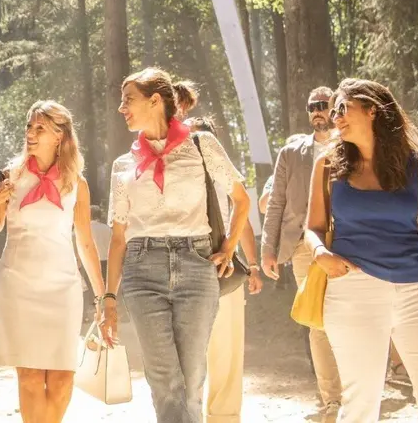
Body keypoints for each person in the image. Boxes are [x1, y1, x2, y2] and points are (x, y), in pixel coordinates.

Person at [305, 78, 418, 422]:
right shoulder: (327, 166)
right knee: (360, 406)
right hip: (353, 290)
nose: (335, 117)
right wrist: (320, 253)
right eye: (333, 111)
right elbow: (313, 227)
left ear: (372, 110)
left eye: (343, 108)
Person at [100, 68, 251, 423]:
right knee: (165, 381)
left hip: (197, 265)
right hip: (142, 270)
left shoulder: (202, 145)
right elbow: (119, 238)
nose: (121, 109)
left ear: (155, 101)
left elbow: (241, 200)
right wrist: (108, 298)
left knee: (193, 378)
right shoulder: (124, 166)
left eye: (128, 100)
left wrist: (229, 247)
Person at [0, 100, 105, 423]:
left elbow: (86, 243)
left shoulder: (77, 184)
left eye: (40, 128)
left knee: (63, 380)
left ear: (59, 136)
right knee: (31, 377)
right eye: (29, 127)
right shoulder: (11, 176)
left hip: (62, 287)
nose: (31, 134)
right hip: (17, 284)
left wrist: (103, 296)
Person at [261, 86, 342, 422]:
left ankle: (360, 391)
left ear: (336, 107)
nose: (318, 111)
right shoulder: (291, 151)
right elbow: (275, 202)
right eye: (312, 107)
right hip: (304, 246)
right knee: (318, 322)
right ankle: (332, 401)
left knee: (353, 317)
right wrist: (268, 249)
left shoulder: (352, 146)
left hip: (351, 242)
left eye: (324, 105)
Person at [185, 116, 263, 423]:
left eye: (202, 138)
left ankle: (224, 418)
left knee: (226, 354)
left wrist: (252, 264)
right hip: (185, 270)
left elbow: (239, 218)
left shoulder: (222, 175)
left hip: (223, 270)